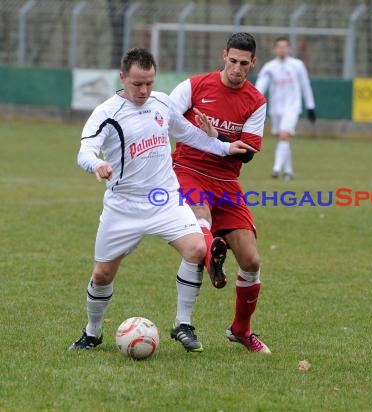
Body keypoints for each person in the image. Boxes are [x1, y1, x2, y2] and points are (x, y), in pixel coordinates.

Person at [69, 48, 254, 352]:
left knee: (197, 248)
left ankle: (183, 324)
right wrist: (96, 164)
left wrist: (223, 148)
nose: (143, 91)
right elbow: (85, 150)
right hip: (124, 205)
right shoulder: (106, 113)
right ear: (122, 78)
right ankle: (92, 332)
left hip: (164, 198)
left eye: (149, 83)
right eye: (137, 84)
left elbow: (190, 135)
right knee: (102, 274)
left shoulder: (162, 103)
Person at [169, 32, 271, 354]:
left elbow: (248, 153)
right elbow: (166, 119)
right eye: (233, 61)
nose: (237, 69)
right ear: (223, 55)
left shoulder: (256, 101)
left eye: (244, 64)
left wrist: (222, 143)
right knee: (202, 218)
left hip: (226, 182)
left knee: (252, 260)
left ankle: (240, 329)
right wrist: (205, 138)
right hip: (187, 170)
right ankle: (211, 248)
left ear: (253, 64)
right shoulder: (194, 86)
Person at [255, 37, 316, 180]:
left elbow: (305, 85)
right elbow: (260, 86)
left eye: (285, 47)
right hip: (276, 108)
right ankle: (288, 172)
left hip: (292, 107)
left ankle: (276, 169)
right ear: (275, 49)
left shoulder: (297, 65)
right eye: (279, 47)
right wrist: (255, 101)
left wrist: (310, 106)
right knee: (282, 139)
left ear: (289, 49)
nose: (282, 49)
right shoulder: (269, 67)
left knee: (284, 135)